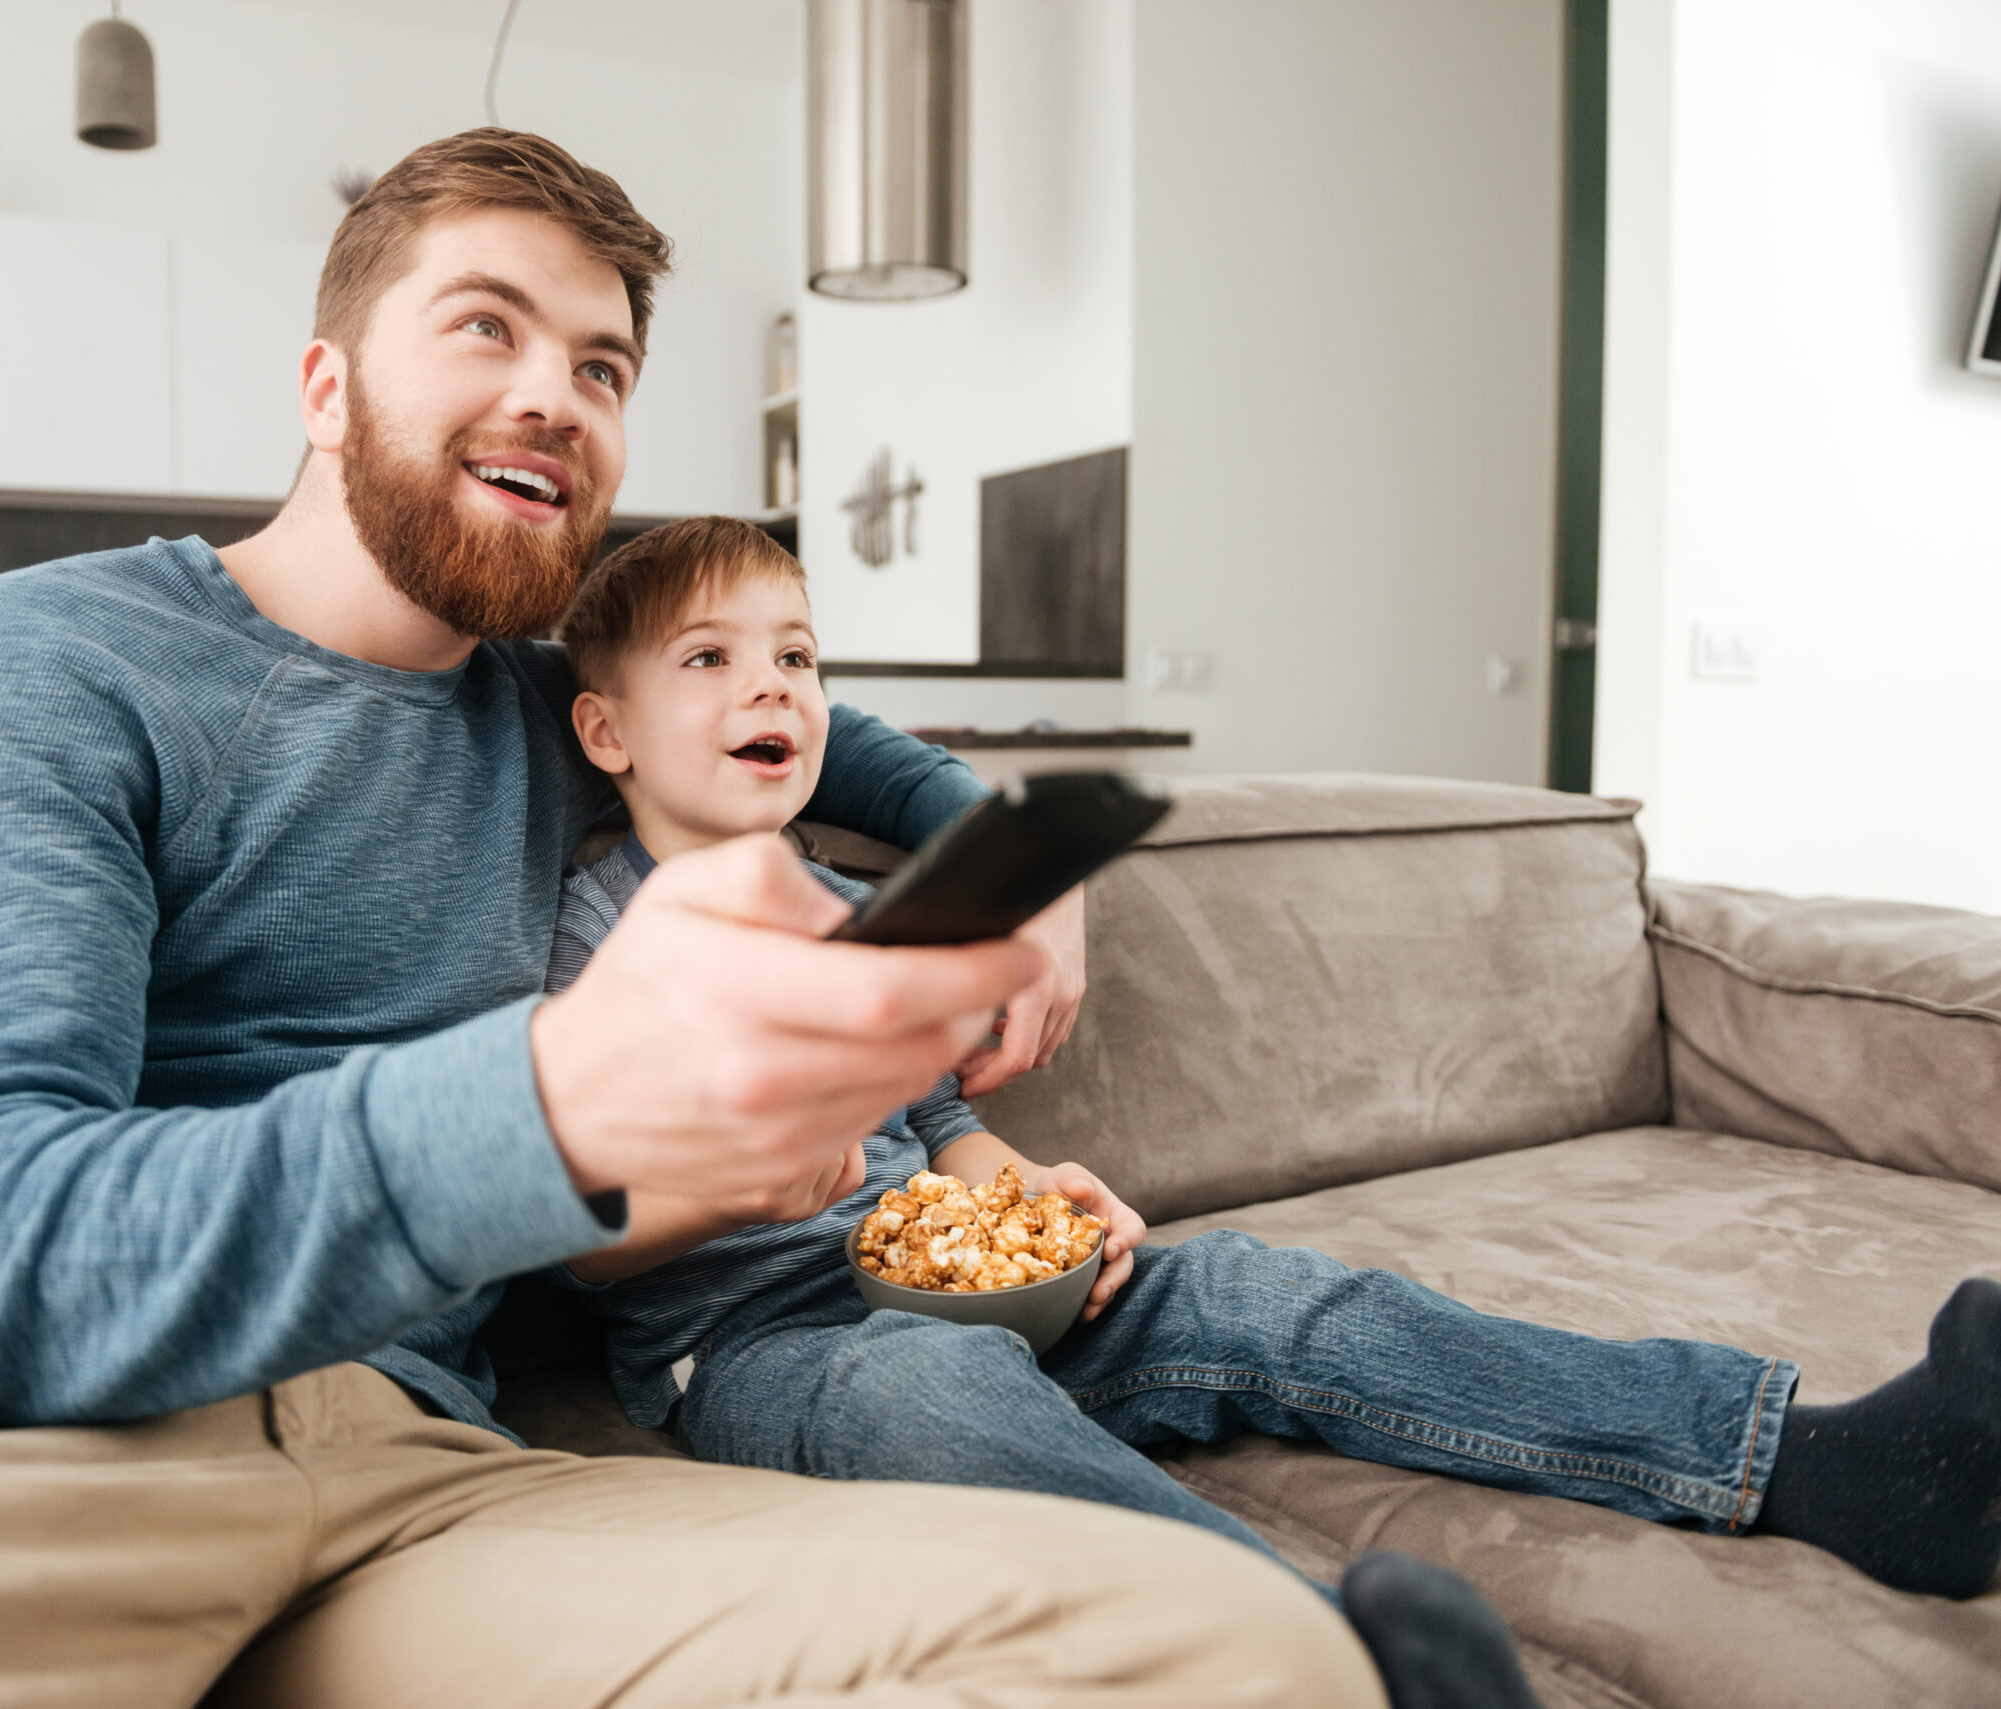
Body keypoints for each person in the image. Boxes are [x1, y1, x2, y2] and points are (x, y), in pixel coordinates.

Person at [0, 132, 1388, 1708]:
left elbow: (837, 733)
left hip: (400, 1468)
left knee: (1228, 1653)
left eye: (603, 364)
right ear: (324, 381)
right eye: (485, 326)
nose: (554, 390)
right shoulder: (55, 660)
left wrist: (1014, 873)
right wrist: (553, 1109)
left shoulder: (568, 712)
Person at [535, 515, 2001, 1706]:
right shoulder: (583, 943)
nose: (773, 687)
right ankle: (1337, 1657)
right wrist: (739, 1186)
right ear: (606, 730)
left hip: (986, 1295)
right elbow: (570, 1239)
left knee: (1261, 1289)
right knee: (928, 1393)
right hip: (755, 1343)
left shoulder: (876, 916)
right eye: (712, 659)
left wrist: (1025, 1194)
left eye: (796, 655)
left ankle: (1808, 1458)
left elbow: (941, 1135)